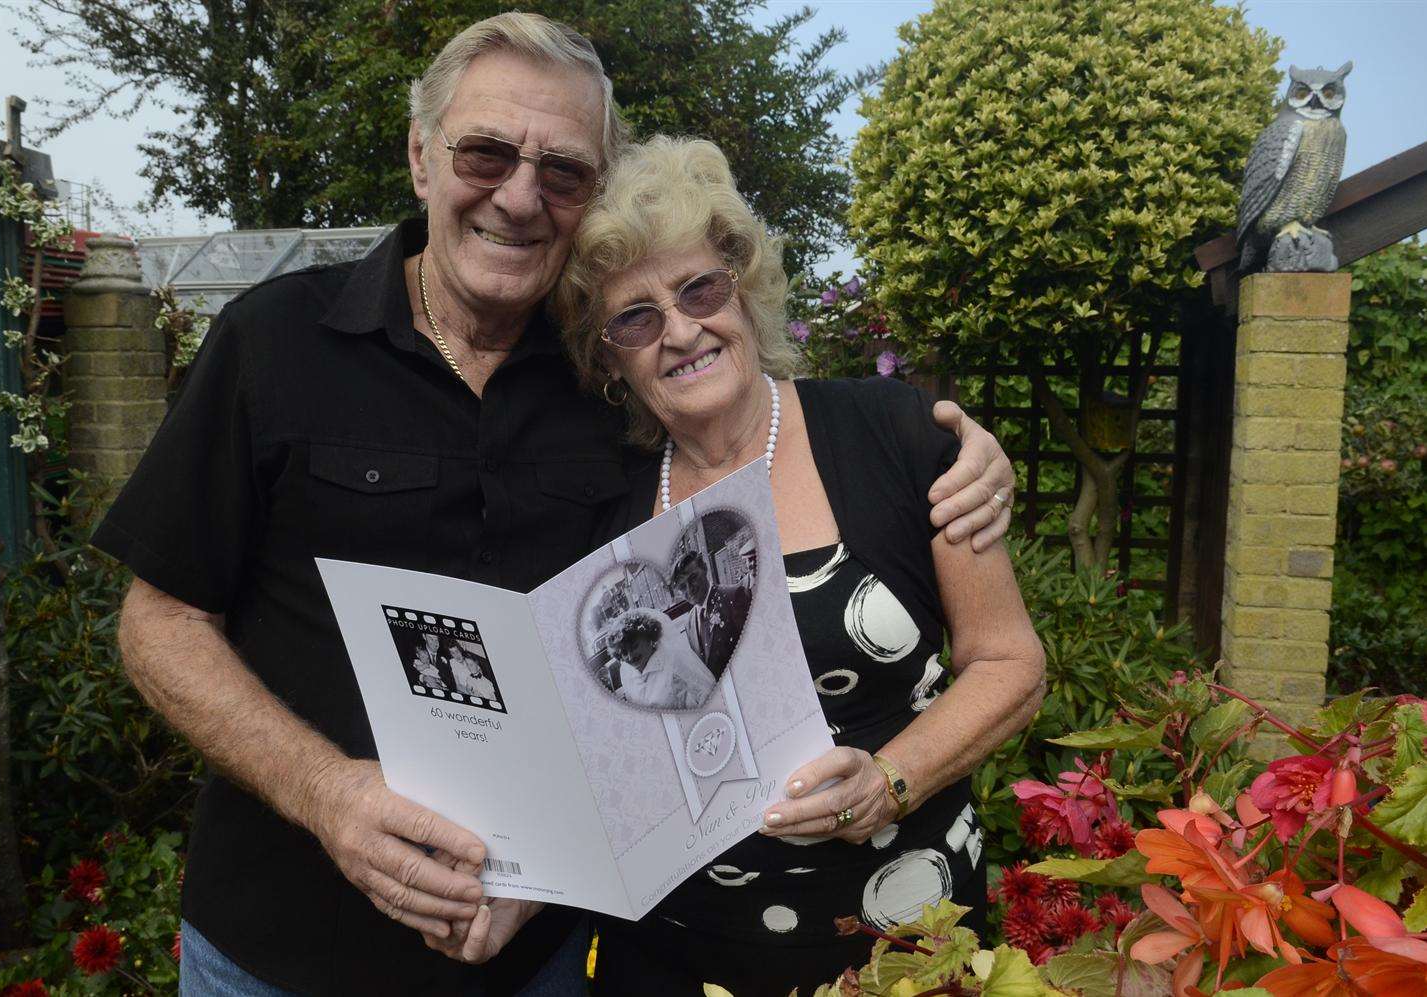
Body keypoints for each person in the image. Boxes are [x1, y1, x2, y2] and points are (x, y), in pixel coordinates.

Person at [92, 14, 1015, 996]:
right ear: (420, 156)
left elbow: (634, 707)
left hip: (529, 962)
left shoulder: (605, 400)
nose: (520, 195)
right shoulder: (273, 342)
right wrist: (328, 794)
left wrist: (957, 450)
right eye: (486, 152)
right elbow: (159, 622)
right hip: (278, 951)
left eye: (563, 172)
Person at [552, 136, 1047, 995]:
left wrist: (892, 780)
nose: (679, 330)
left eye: (698, 288)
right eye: (635, 317)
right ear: (609, 358)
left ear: (742, 290)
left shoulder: (891, 434)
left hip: (900, 953)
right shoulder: (605, 509)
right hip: (673, 960)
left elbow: (1009, 662)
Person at [609, 608, 716, 710]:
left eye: (634, 646)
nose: (630, 656)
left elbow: (706, 694)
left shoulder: (673, 661)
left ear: (648, 638)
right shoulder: (626, 673)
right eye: (624, 652)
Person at [669, 548, 752, 676]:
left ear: (705, 569)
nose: (689, 589)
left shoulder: (734, 596)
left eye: (693, 578)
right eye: (682, 587)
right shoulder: (690, 622)